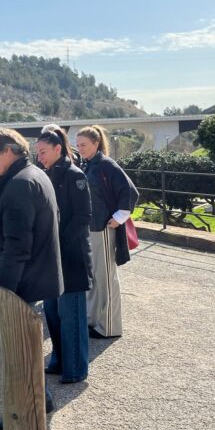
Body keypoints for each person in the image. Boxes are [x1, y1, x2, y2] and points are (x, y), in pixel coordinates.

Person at [0, 128, 63, 430]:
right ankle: (43, 399)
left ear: (10, 149)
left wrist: (4, 290)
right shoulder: (32, 175)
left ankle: (24, 412)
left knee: (18, 351)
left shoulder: (19, 185)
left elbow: (16, 246)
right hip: (34, 276)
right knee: (25, 348)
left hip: (22, 282)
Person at [35, 124, 93, 384]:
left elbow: (83, 218)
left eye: (44, 151)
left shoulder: (74, 175)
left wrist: (58, 243)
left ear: (58, 148)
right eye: (38, 153)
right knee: (53, 314)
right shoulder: (45, 175)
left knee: (72, 316)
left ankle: (75, 368)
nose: (40, 157)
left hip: (70, 257)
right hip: (51, 258)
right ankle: (58, 360)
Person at [75, 125, 138, 339]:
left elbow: (130, 191)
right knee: (93, 277)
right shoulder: (89, 165)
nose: (80, 148)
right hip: (92, 229)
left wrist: (119, 217)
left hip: (102, 229)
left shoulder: (106, 165)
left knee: (105, 278)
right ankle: (94, 321)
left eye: (83, 144)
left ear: (95, 143)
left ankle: (109, 327)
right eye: (78, 145)